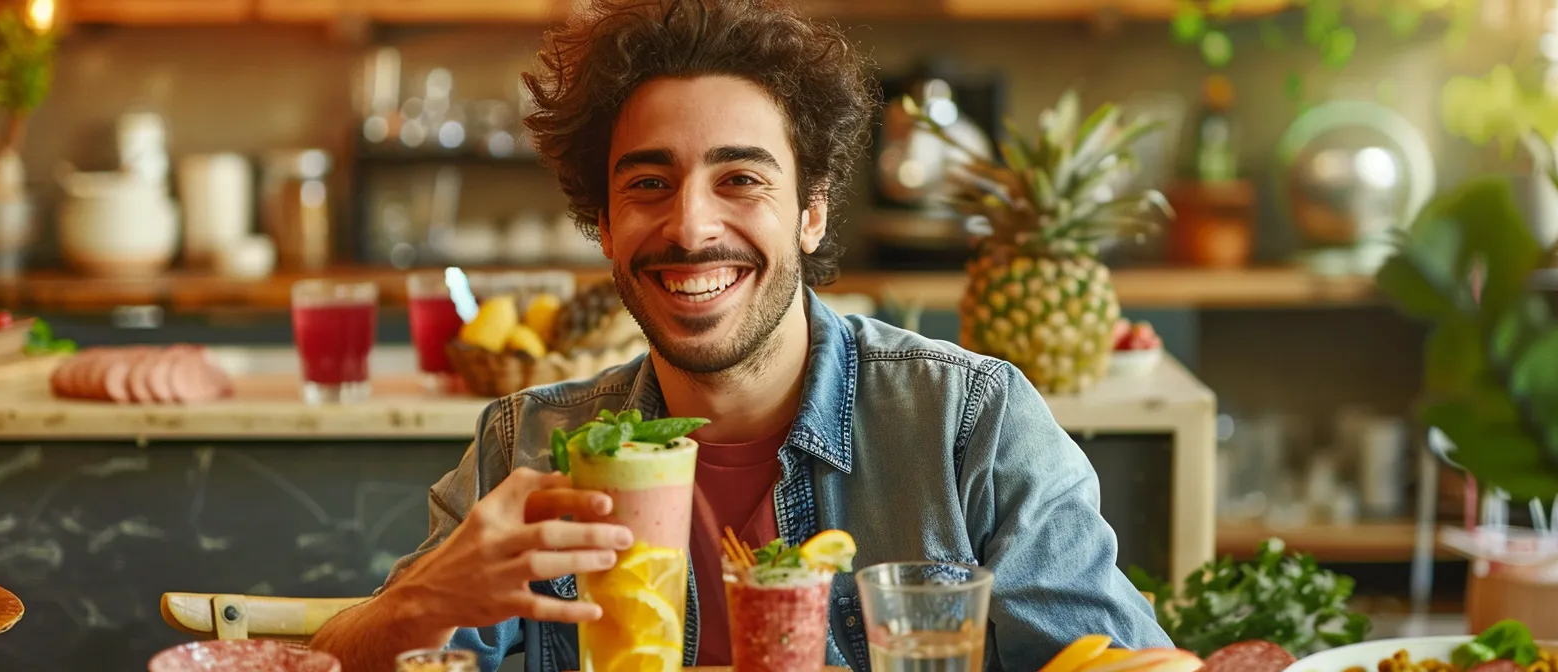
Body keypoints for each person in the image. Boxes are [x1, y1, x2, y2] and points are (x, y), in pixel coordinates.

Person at [310, 0, 1170, 669]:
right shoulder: (530, 445)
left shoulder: (968, 424)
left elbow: (1117, 662)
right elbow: (341, 661)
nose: (690, 227)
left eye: (740, 178)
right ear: (603, 225)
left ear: (811, 211)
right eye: (649, 182)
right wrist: (419, 605)